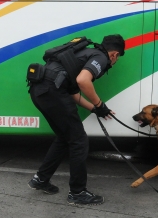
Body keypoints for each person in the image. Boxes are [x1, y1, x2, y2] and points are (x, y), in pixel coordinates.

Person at [28, 34, 125, 205]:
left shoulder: (84, 53)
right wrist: (99, 103)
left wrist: (95, 109)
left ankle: (41, 179)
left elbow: (73, 94)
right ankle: (77, 192)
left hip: (39, 90)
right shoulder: (100, 57)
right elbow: (83, 81)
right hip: (53, 92)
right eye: (117, 59)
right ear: (115, 54)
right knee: (79, 141)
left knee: (65, 138)